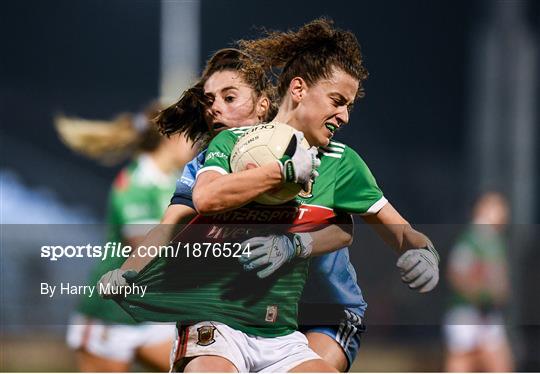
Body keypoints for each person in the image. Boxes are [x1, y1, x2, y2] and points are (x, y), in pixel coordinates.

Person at [57, 104, 196, 372]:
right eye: (189, 132)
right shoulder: (135, 183)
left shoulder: (174, 181)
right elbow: (146, 249)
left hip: (152, 313)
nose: (194, 140)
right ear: (169, 136)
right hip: (111, 315)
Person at [444, 192, 514, 372]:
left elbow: (500, 281)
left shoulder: (493, 239)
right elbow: (456, 274)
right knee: (463, 361)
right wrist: (479, 295)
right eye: (495, 206)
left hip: (487, 314)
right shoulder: (473, 238)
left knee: (498, 362)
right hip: (468, 312)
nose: (502, 212)